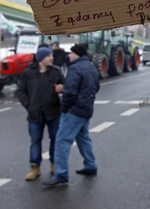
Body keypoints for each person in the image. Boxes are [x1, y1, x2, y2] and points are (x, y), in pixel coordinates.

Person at [41, 44, 100, 187]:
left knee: (61, 141)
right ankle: (90, 166)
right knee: (83, 138)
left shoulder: (75, 68)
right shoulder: (91, 67)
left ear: (78, 55)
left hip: (74, 111)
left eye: (71, 53)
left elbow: (71, 92)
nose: (68, 56)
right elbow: (95, 87)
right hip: (86, 109)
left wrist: (64, 107)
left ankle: (61, 174)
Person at [16, 47, 65, 181]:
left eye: (52, 56)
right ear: (40, 58)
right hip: (35, 114)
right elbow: (20, 91)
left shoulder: (56, 72)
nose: (52, 58)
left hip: (53, 112)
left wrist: (62, 89)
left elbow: (66, 86)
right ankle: (34, 167)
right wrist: (29, 106)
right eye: (49, 56)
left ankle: (54, 164)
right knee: (35, 141)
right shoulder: (28, 73)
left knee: (55, 139)